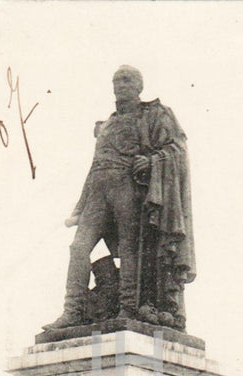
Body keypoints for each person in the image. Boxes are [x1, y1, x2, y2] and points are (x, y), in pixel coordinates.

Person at [43, 65, 195, 332]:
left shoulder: (152, 115)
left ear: (138, 86)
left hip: (128, 189)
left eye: (125, 80)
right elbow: (94, 168)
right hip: (98, 193)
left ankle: (128, 307)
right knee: (78, 248)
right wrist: (79, 207)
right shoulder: (108, 124)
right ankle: (72, 310)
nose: (119, 84)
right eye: (116, 80)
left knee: (129, 248)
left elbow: (176, 148)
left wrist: (151, 160)